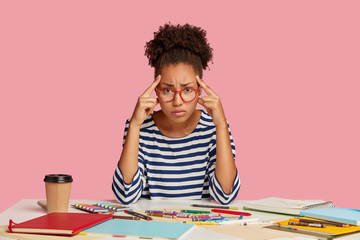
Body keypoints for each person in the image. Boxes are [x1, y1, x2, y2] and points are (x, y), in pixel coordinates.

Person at [112, 23, 240, 205]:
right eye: (167, 90)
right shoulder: (139, 128)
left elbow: (225, 196)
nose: (177, 101)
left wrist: (220, 126)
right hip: (153, 229)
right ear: (156, 90)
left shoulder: (214, 128)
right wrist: (134, 125)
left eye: (187, 90)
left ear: (200, 89)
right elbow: (126, 195)